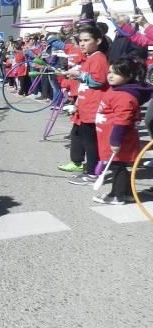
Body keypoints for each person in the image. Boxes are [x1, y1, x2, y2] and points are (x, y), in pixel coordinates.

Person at [93, 58, 152, 205]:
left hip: (119, 140)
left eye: (116, 73)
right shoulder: (115, 89)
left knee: (117, 167)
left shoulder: (125, 96)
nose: (110, 76)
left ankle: (116, 195)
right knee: (119, 166)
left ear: (128, 76)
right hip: (110, 136)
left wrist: (115, 141)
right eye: (109, 72)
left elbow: (122, 121)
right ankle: (127, 194)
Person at [58, 25, 109, 182]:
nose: (82, 43)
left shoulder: (98, 58)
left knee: (90, 142)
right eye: (81, 40)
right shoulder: (90, 57)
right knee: (84, 139)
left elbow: (98, 81)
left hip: (93, 106)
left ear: (98, 41)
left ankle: (93, 172)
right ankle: (90, 169)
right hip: (85, 105)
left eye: (87, 40)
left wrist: (79, 74)